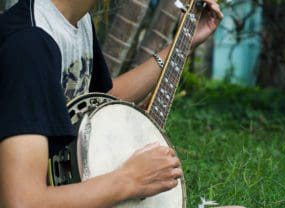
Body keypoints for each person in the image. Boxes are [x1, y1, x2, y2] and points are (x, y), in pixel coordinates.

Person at [0, 0, 226, 207]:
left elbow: (101, 101)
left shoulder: (77, 22)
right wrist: (131, 179)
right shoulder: (27, 44)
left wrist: (181, 46)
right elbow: (22, 202)